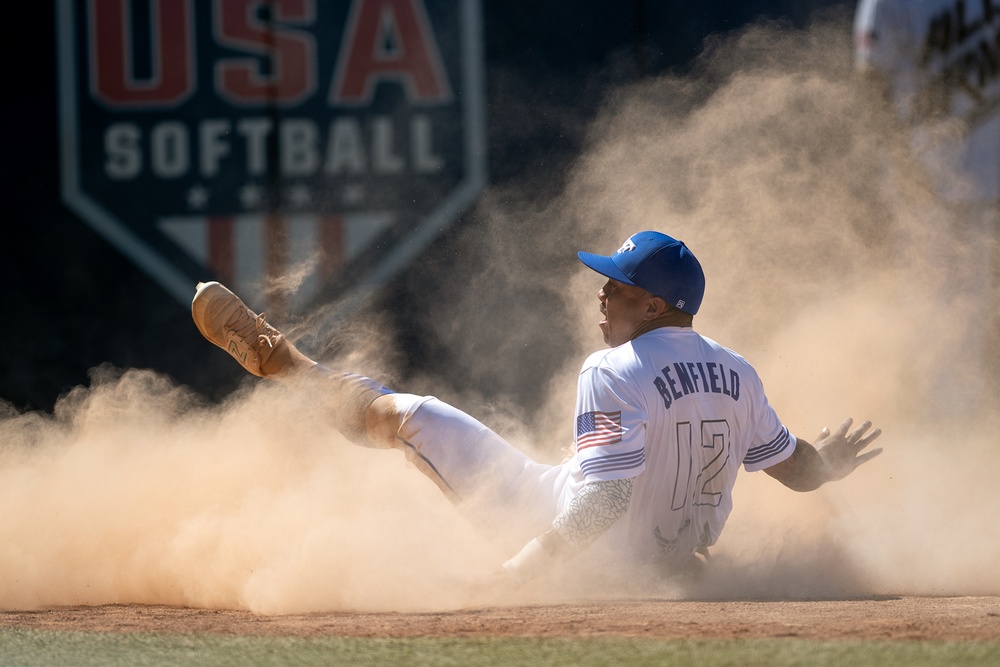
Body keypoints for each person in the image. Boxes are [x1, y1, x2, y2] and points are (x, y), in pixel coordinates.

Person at [191, 230, 883, 584]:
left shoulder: (615, 366)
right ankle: (289, 362)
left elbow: (606, 500)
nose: (602, 294)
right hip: (667, 566)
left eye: (616, 285)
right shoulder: (740, 371)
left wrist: (523, 568)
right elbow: (793, 467)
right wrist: (831, 465)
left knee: (414, 418)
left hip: (562, 532)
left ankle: (287, 363)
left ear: (653, 304)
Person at [854, 0, 999, 408]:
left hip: (990, 168)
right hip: (928, 173)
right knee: (934, 294)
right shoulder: (888, 3)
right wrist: (903, 162)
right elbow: (871, 82)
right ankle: (934, 410)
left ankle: (972, 409)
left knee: (981, 298)